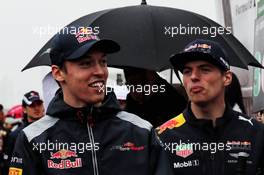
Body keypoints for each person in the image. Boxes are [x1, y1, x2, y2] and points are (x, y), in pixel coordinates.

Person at [9, 28, 173, 175]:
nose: (100, 71)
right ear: (58, 73)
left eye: (103, 61)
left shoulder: (142, 131)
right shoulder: (33, 139)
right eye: (86, 63)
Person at [156, 39, 264, 174]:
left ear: (227, 78)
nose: (194, 77)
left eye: (205, 69)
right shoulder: (162, 137)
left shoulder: (256, 133)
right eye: (187, 71)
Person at [3, 91, 45, 175]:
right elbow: (8, 165)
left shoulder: (52, 130)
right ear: (24, 109)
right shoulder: (15, 135)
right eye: (32, 105)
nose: (36, 108)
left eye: (39, 104)